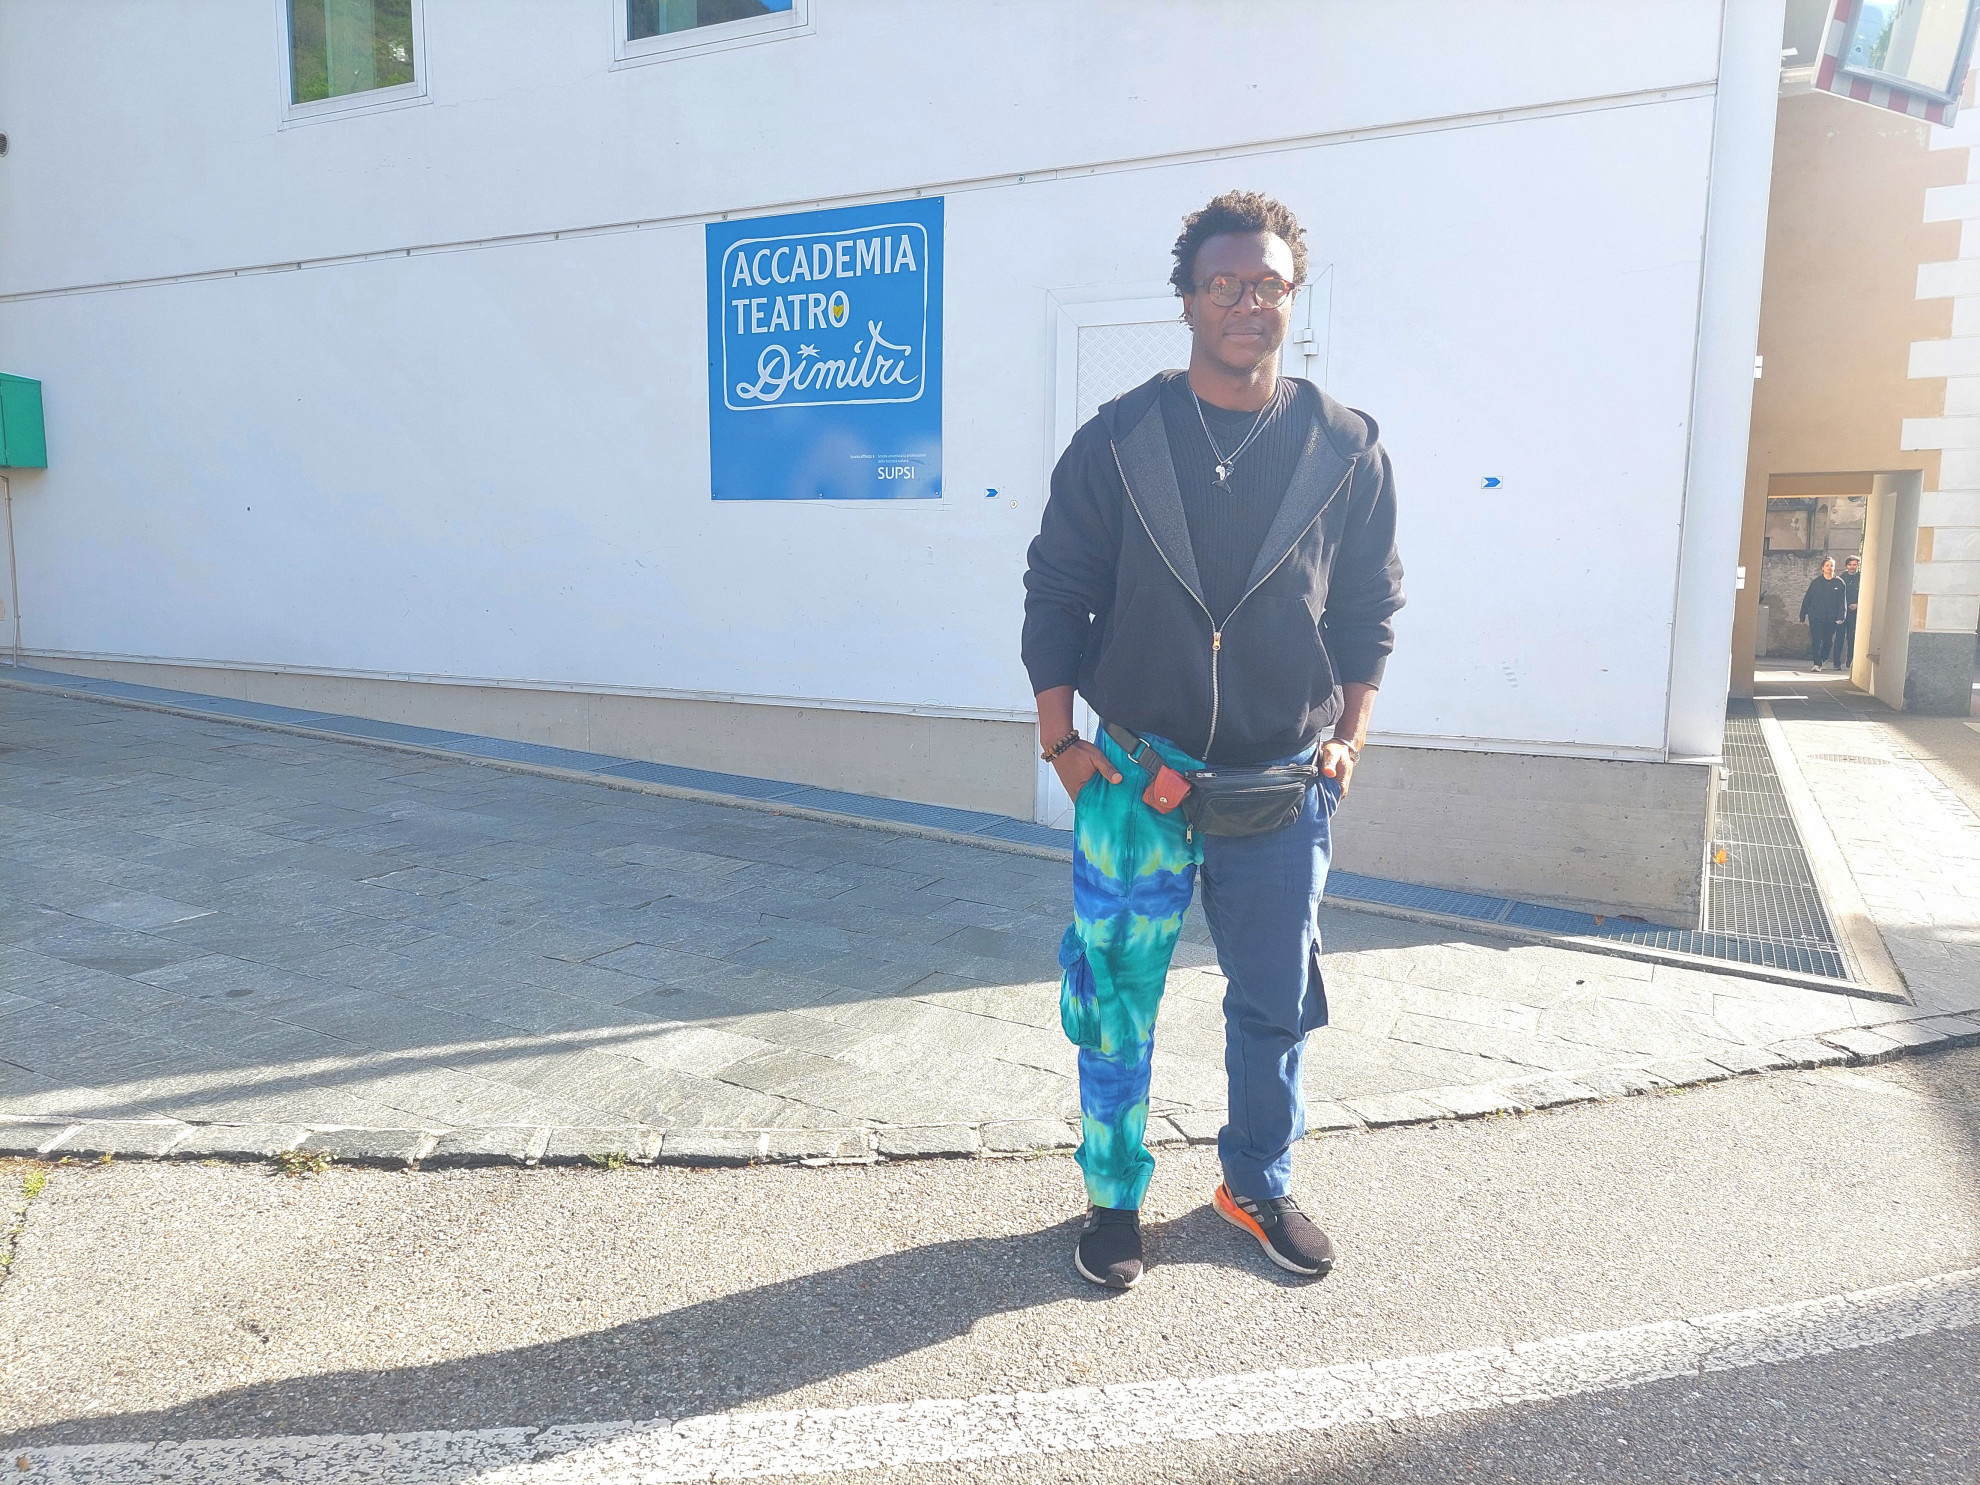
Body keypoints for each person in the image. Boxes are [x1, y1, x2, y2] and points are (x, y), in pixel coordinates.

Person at [1021, 191, 1404, 1290]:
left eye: (1268, 283)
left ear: (1294, 296)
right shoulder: (1120, 440)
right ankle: (1112, 1199)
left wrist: (1350, 739)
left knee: (1275, 1005)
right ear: (1187, 300)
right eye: (1224, 283)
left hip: (1283, 786)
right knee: (1114, 998)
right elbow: (1055, 591)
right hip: (1133, 778)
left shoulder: (1346, 448)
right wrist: (1063, 745)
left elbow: (1368, 610)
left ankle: (1256, 1182)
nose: (1247, 301)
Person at [1799, 557, 1848, 670]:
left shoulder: (1839, 583)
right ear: (1822, 568)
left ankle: (1823, 658)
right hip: (1816, 616)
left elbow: (1842, 601)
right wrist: (1802, 614)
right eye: (1827, 565)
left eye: (1831, 565)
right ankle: (1817, 663)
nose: (1829, 567)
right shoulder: (1816, 583)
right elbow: (1808, 598)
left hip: (1831, 617)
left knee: (1828, 641)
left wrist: (1841, 616)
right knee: (1816, 640)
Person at [1839, 554, 1862, 668]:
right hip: (1842, 612)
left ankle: (1850, 661)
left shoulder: (1862, 578)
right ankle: (1836, 661)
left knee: (1852, 638)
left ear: (1858, 565)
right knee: (1839, 636)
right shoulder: (1842, 577)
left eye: (1854, 565)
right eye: (1850, 564)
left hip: (1855, 613)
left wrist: (1858, 604)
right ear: (1846, 566)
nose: (1852, 567)